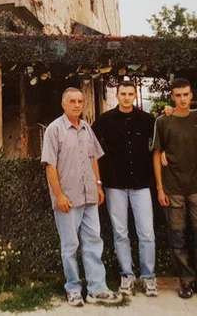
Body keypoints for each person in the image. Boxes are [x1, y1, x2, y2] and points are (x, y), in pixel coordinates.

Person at [41, 87, 121, 307]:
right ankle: (73, 289)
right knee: (70, 246)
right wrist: (59, 196)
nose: (77, 105)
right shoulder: (54, 130)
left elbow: (94, 158)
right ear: (63, 104)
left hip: (89, 198)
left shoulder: (86, 128)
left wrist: (98, 186)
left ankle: (97, 289)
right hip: (68, 199)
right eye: (72, 101)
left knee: (94, 242)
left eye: (80, 101)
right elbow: (50, 166)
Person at [152, 78, 197, 299]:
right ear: (172, 96)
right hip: (173, 188)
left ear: (191, 96)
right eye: (178, 95)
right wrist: (160, 188)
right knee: (178, 238)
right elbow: (156, 154)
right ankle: (186, 282)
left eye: (186, 94)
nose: (182, 99)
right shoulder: (163, 121)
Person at [92, 80, 158, 297]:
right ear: (117, 95)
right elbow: (90, 144)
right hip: (115, 185)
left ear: (135, 95)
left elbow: (160, 144)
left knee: (146, 232)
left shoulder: (148, 120)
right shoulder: (104, 121)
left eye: (130, 93)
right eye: (123, 93)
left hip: (141, 185)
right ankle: (127, 276)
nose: (127, 97)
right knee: (120, 233)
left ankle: (148, 277)